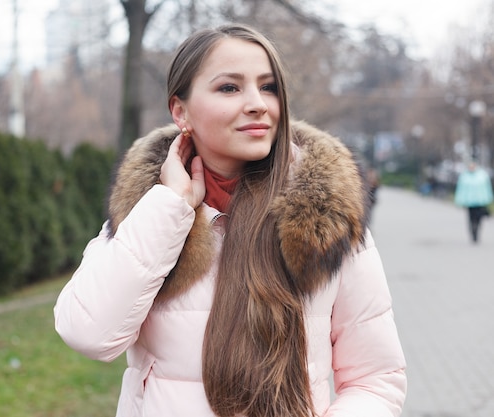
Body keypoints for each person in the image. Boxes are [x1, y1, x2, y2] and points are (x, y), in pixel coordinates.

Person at [54, 23, 406, 417]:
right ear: (180, 111)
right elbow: (88, 334)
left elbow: (376, 380)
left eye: (269, 87)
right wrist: (170, 206)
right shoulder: (144, 211)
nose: (258, 103)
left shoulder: (327, 218)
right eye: (230, 87)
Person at [454, 160, 493, 243]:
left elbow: (487, 188)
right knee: (471, 218)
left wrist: (489, 198)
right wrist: (459, 200)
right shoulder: (464, 176)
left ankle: (477, 231)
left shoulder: (482, 175)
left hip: (480, 201)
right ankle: (473, 232)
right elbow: (461, 189)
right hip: (470, 202)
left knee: (479, 218)